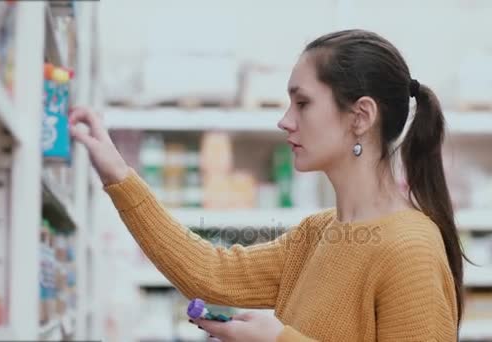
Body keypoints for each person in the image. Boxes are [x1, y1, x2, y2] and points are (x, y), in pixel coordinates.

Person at [70, 29, 465, 341]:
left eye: (303, 103)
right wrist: (117, 174)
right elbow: (211, 273)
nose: (285, 120)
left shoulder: (411, 249)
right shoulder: (317, 233)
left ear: (360, 116)